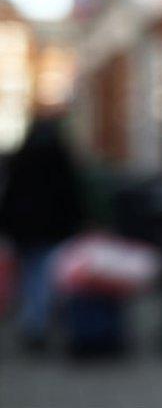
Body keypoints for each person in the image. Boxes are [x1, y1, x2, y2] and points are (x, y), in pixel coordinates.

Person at [0, 117, 84, 350]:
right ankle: (39, 323)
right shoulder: (59, 157)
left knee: (30, 277)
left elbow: (9, 196)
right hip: (52, 230)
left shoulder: (21, 158)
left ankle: (34, 324)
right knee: (45, 278)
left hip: (25, 230)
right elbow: (71, 195)